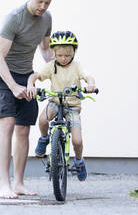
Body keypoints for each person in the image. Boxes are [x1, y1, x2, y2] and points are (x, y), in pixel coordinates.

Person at [0, 0, 55, 199]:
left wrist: (60, 67)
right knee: (7, 124)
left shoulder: (46, 19)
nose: (42, 7)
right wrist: (13, 85)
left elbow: (45, 51)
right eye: (39, 1)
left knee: (24, 128)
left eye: (47, 3)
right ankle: (4, 185)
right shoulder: (14, 18)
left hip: (26, 75)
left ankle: (18, 183)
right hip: (3, 74)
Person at [26, 31, 97, 181]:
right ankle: (44, 138)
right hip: (55, 102)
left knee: (77, 140)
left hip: (72, 106)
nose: (63, 59)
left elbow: (88, 76)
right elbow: (36, 76)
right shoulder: (51, 66)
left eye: (67, 55)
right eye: (60, 55)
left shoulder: (77, 66)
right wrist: (30, 84)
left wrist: (91, 84)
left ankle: (79, 161)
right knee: (43, 120)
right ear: (54, 53)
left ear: (73, 54)